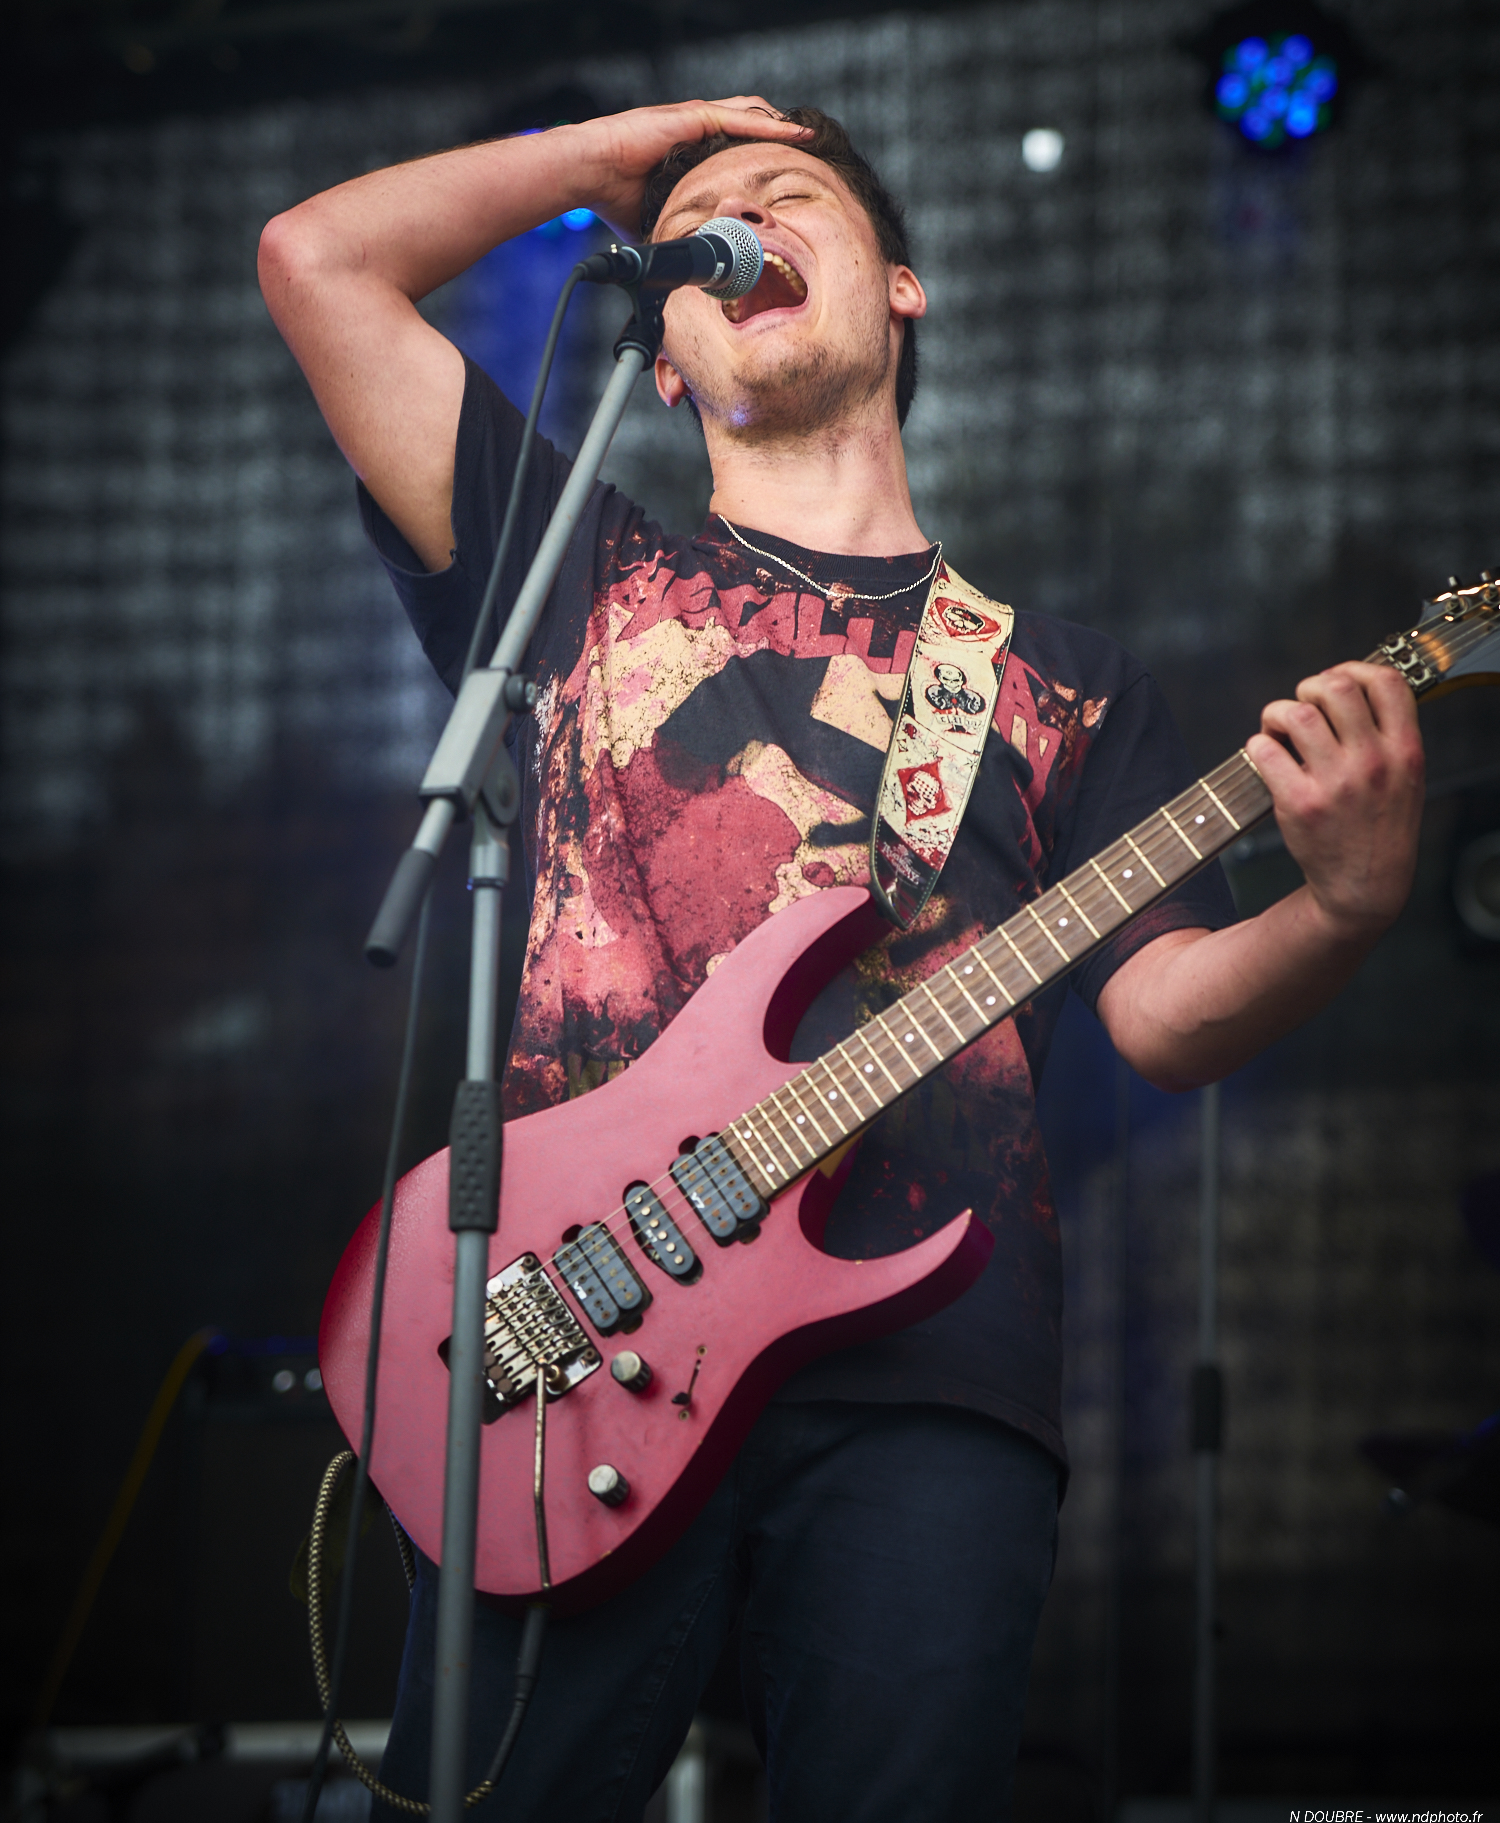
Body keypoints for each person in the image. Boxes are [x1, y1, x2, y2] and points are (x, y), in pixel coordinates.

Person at [259, 96, 1424, 1821]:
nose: (740, 220)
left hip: (928, 1374)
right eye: (701, 231)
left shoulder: (1061, 684)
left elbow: (1167, 1020)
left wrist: (1339, 910)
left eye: (790, 193)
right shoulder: (576, 568)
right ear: (665, 362)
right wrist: (607, 161)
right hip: (574, 1336)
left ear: (901, 288)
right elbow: (318, 261)